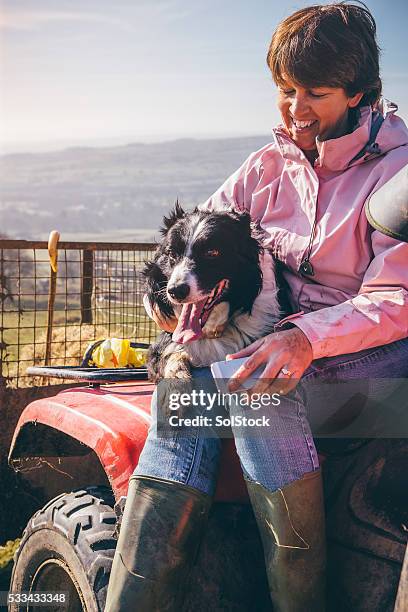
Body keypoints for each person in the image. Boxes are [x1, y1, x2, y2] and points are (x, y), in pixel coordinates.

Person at [105, 3, 408, 611]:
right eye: (285, 90)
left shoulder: (399, 170)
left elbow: (396, 299)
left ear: (360, 92)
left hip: (371, 356)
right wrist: (161, 304)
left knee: (255, 387)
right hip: (274, 339)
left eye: (315, 93)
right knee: (182, 386)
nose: (295, 109)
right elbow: (189, 243)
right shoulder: (264, 167)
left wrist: (303, 338)